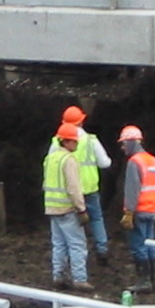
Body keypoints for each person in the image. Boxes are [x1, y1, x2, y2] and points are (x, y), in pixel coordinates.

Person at [48, 105, 111, 265]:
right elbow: (105, 163)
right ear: (82, 121)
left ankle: (70, 260)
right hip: (89, 188)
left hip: (67, 192)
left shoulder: (57, 141)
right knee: (96, 219)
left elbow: (51, 163)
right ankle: (102, 251)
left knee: (72, 225)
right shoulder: (91, 140)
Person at [43, 122, 94, 292]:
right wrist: (81, 209)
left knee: (58, 244)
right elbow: (73, 188)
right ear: (66, 142)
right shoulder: (69, 160)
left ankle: (58, 276)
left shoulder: (50, 158)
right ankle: (79, 279)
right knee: (77, 244)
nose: (77, 143)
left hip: (52, 208)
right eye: (74, 141)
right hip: (67, 209)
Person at [118, 125, 155, 293]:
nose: (122, 147)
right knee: (150, 244)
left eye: (124, 143)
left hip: (138, 211)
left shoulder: (134, 162)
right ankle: (154, 281)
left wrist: (129, 212)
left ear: (132, 142)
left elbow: (133, 189)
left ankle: (144, 281)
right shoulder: (152, 159)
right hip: (151, 211)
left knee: (138, 245)